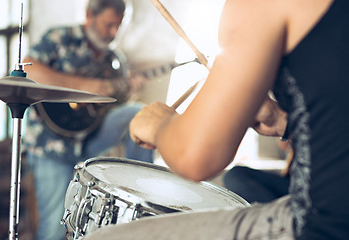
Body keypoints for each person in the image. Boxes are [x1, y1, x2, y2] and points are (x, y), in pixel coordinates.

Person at [83, 0, 349, 239]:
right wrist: (284, 122)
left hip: (322, 225)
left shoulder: (259, 6)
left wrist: (160, 124)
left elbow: (195, 157)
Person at [22, 0, 154, 239]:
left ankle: (142, 192)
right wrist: (88, 87)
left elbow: (115, 109)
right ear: (89, 16)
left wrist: (127, 89)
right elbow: (28, 70)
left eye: (118, 26)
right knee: (55, 227)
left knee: (137, 112)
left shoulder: (115, 60)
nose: (113, 32)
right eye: (108, 24)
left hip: (90, 141)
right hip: (50, 145)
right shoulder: (59, 38)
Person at [223, 138, 291, 203]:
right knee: (234, 175)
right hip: (290, 182)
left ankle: (278, 212)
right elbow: (284, 143)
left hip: (298, 188)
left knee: (234, 176)